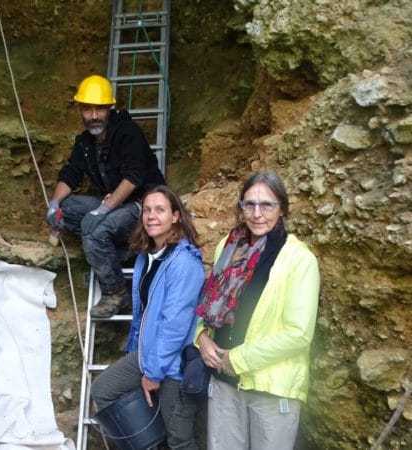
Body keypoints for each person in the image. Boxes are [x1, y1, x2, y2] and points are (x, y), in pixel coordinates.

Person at [194, 171, 320, 450]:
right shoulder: (227, 247)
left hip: (271, 389)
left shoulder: (299, 260)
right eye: (249, 204)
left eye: (267, 205)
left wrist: (237, 360)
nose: (257, 213)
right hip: (224, 384)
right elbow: (208, 306)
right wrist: (201, 337)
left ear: (282, 209)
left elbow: (298, 334)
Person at [91, 185, 205, 450]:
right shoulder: (146, 257)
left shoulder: (184, 262)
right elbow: (143, 315)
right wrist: (137, 351)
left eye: (160, 210)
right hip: (148, 353)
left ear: (176, 216)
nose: (152, 216)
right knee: (103, 390)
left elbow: (174, 325)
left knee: (179, 438)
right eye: (147, 210)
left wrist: (153, 372)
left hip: (175, 363)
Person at [46, 74, 165, 318]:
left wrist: (103, 210)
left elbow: (133, 177)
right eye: (87, 109)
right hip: (114, 203)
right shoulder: (85, 142)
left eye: (99, 109)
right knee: (67, 210)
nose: (93, 116)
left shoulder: (127, 133)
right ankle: (120, 247)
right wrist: (54, 204)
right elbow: (71, 174)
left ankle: (116, 293)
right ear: (80, 110)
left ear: (110, 108)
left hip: (143, 204)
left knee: (96, 232)